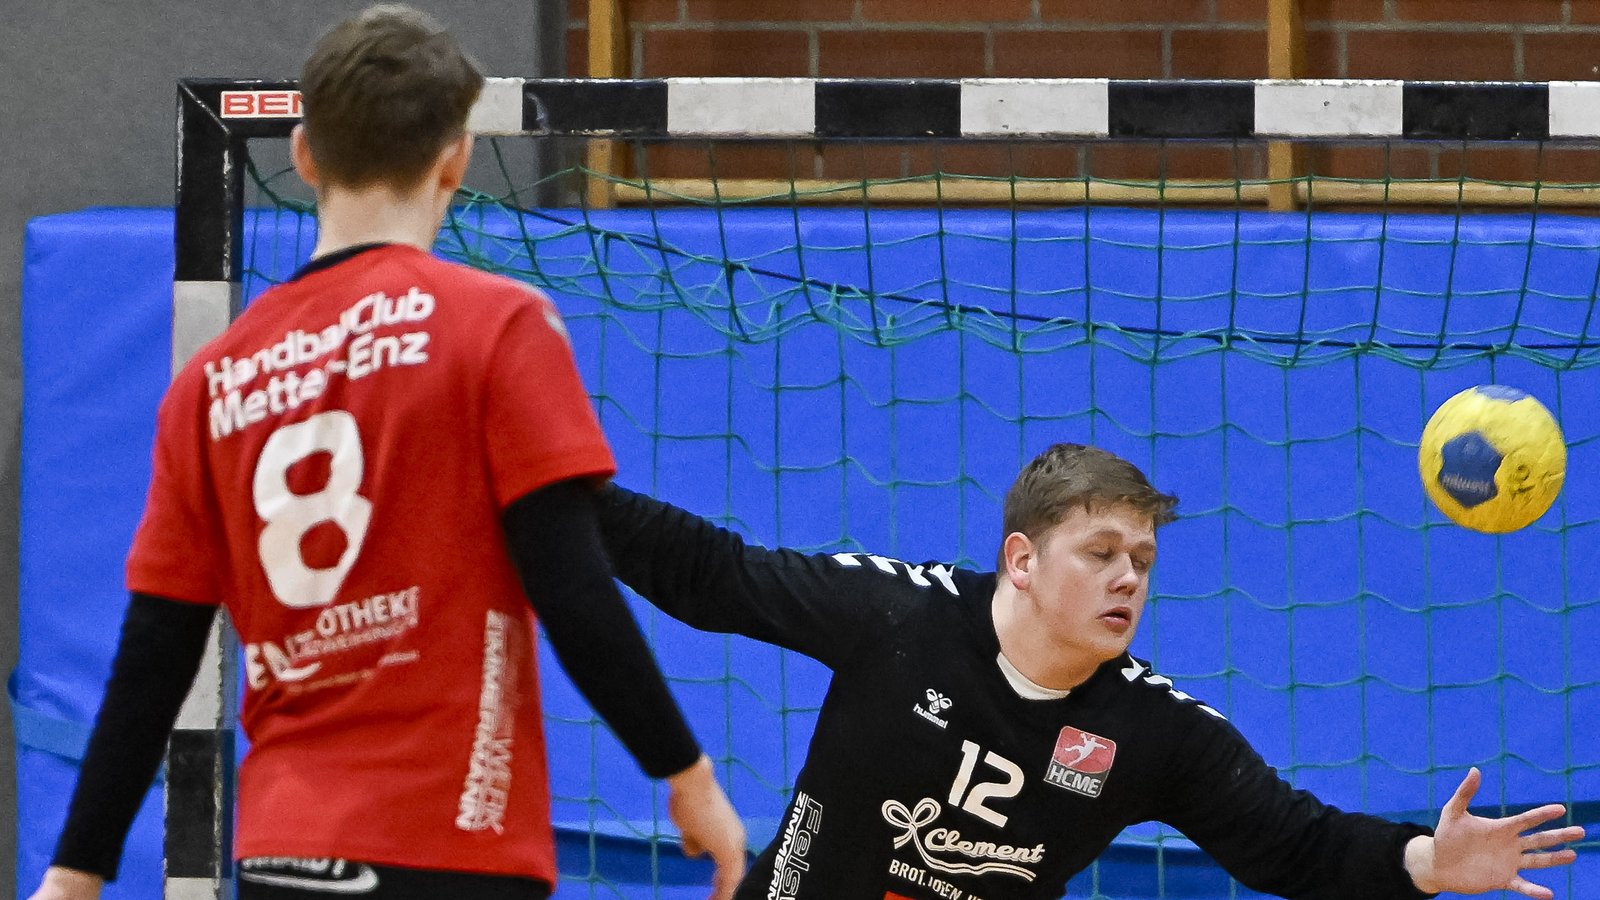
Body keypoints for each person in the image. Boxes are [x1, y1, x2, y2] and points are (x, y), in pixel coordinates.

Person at [28, 6, 745, 900]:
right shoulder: (497, 325)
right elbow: (570, 583)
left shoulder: (211, 379)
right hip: (450, 844)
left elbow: (156, 655)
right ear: (455, 159)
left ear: (304, 154)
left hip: (285, 851)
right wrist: (685, 776)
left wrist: (77, 868)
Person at [591, 442, 1585, 900]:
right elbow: (710, 575)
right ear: (1020, 561)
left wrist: (1424, 862)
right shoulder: (899, 614)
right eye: (1101, 551)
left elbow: (1297, 846)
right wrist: (553, 491)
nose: (1127, 577)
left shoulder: (1154, 732)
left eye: (1142, 562)